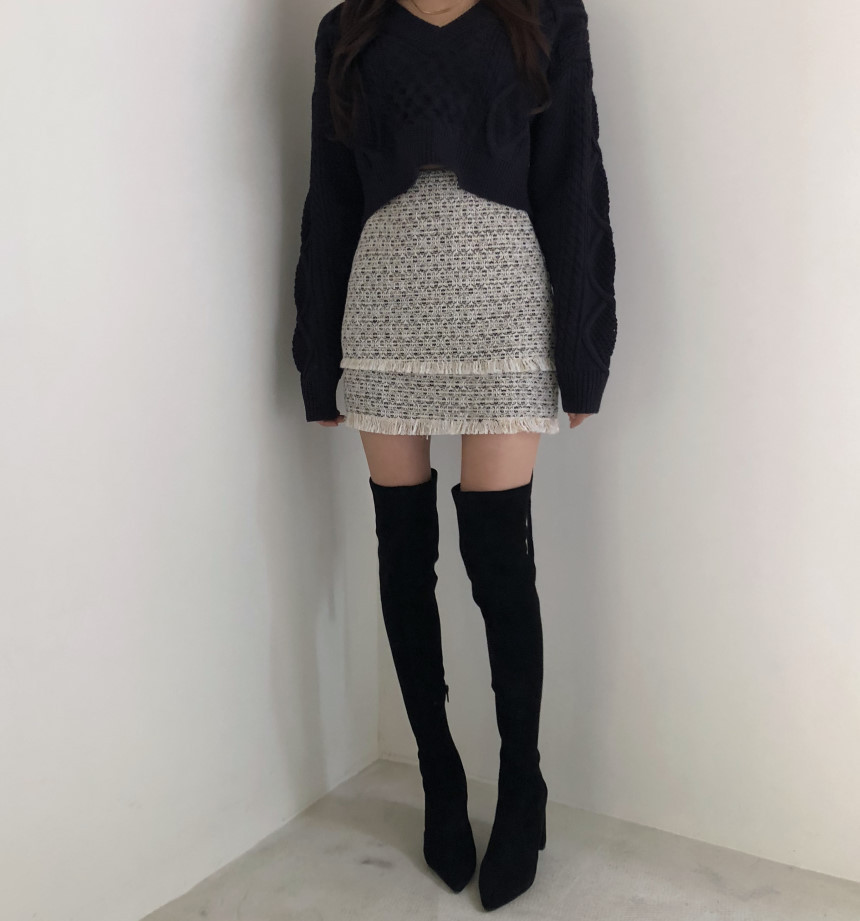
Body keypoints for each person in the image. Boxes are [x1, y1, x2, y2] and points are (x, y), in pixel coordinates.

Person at [292, 0, 616, 909]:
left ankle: (522, 789)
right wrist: (318, 362)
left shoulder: (546, 15)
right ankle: (438, 776)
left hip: (504, 309)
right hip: (384, 309)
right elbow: (330, 196)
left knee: (499, 561)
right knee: (403, 552)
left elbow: (574, 178)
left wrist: (583, 353)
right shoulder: (349, 27)